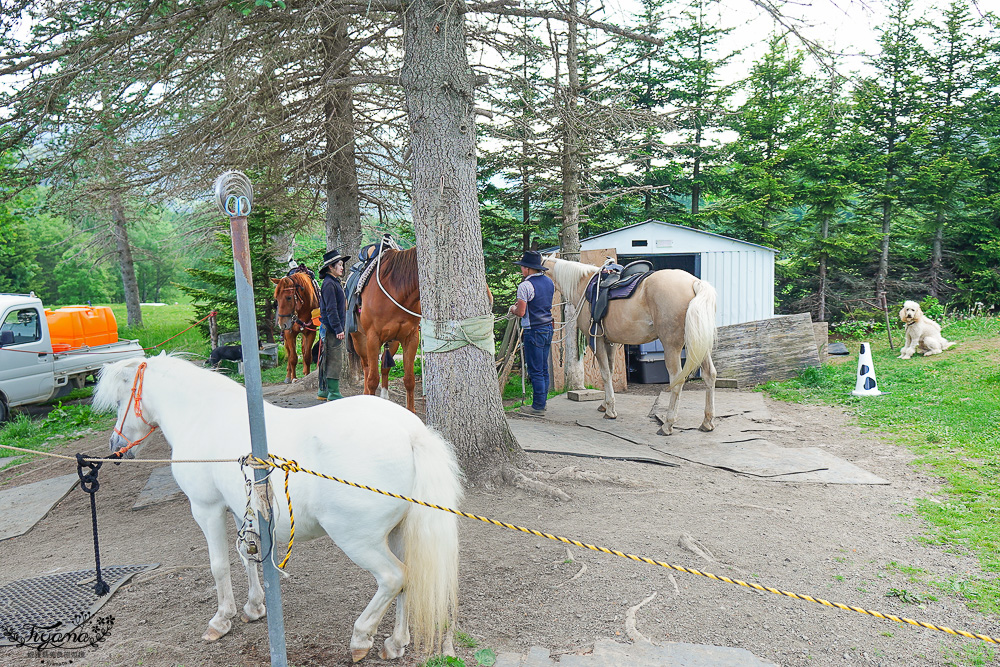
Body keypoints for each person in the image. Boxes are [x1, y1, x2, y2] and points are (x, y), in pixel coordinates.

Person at [508, 250, 555, 415]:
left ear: (527, 269)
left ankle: (537, 407)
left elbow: (521, 312)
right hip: (548, 327)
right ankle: (543, 402)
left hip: (533, 329)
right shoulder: (549, 283)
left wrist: (512, 308)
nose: (521, 270)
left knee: (535, 369)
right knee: (543, 368)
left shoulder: (525, 286)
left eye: (522, 267)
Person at [317, 248, 349, 401]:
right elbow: (331, 309)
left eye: (342, 264)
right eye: (340, 265)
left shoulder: (332, 282)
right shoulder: (329, 284)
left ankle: (323, 391)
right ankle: (333, 393)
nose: (342, 267)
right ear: (331, 267)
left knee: (326, 358)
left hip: (329, 327)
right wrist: (338, 329)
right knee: (335, 359)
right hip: (331, 328)